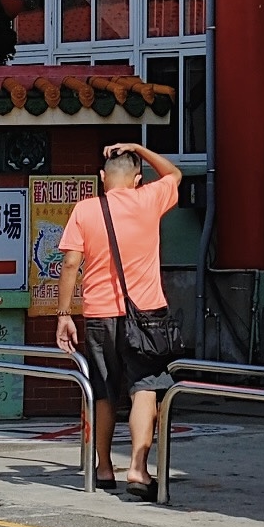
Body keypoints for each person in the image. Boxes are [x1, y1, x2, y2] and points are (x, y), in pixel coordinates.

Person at [55, 142, 183, 497]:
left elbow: (69, 264)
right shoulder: (149, 199)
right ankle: (139, 470)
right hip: (147, 316)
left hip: (99, 314)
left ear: (102, 178)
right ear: (138, 179)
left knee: (104, 391)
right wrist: (140, 146)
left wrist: (64, 314)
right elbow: (174, 174)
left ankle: (105, 467)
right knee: (145, 388)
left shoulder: (85, 210)